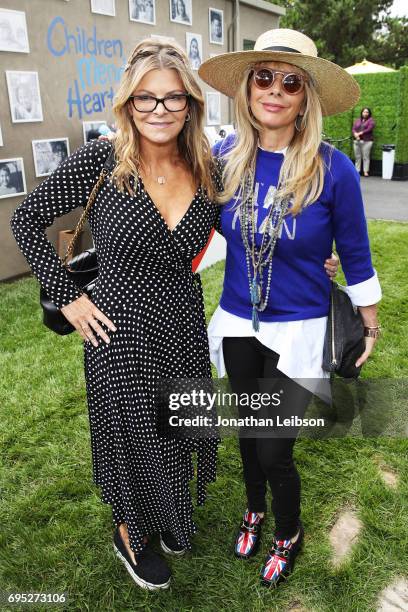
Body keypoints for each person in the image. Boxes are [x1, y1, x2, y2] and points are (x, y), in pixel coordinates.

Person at [10, 38, 219, 592]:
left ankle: (169, 515)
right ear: (128, 103)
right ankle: (129, 528)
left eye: (173, 99)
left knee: (174, 424)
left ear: (191, 105)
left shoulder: (206, 166)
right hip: (118, 327)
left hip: (181, 321)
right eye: (146, 99)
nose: (159, 111)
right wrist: (71, 296)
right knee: (130, 432)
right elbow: (27, 219)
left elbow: (247, 228)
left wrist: (317, 256)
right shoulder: (104, 160)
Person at [199, 29, 381, 588]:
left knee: (275, 448)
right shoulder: (224, 157)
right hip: (237, 322)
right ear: (247, 88)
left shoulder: (334, 168)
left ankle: (288, 533)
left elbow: (354, 250)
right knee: (250, 440)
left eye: (290, 81)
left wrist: (368, 321)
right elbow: (201, 229)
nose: (274, 90)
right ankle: (252, 511)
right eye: (264, 77)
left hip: (299, 332)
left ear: (305, 97)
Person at [353, 107, 375, 177]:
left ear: (369, 113)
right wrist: (355, 134)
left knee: (366, 157)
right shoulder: (357, 120)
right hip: (357, 140)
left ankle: (365, 171)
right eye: (364, 112)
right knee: (357, 156)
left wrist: (360, 133)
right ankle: (357, 170)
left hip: (367, 141)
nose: (365, 113)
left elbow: (369, 129)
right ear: (362, 113)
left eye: (367, 112)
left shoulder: (371, 120)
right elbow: (353, 128)